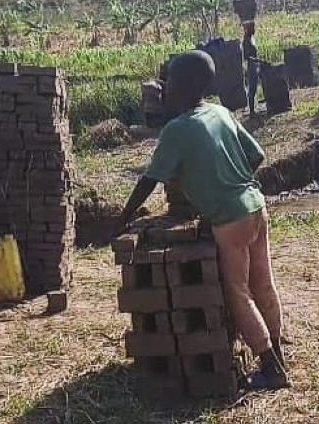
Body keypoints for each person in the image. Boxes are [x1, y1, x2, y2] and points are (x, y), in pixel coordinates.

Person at [116, 50, 289, 389]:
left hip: (230, 219)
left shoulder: (177, 129)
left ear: (180, 86)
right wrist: (229, 182)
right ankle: (279, 351)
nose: (164, 88)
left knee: (238, 293)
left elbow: (150, 179)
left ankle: (271, 369)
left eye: (169, 82)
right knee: (263, 284)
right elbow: (257, 155)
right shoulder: (221, 112)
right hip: (255, 206)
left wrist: (122, 218)